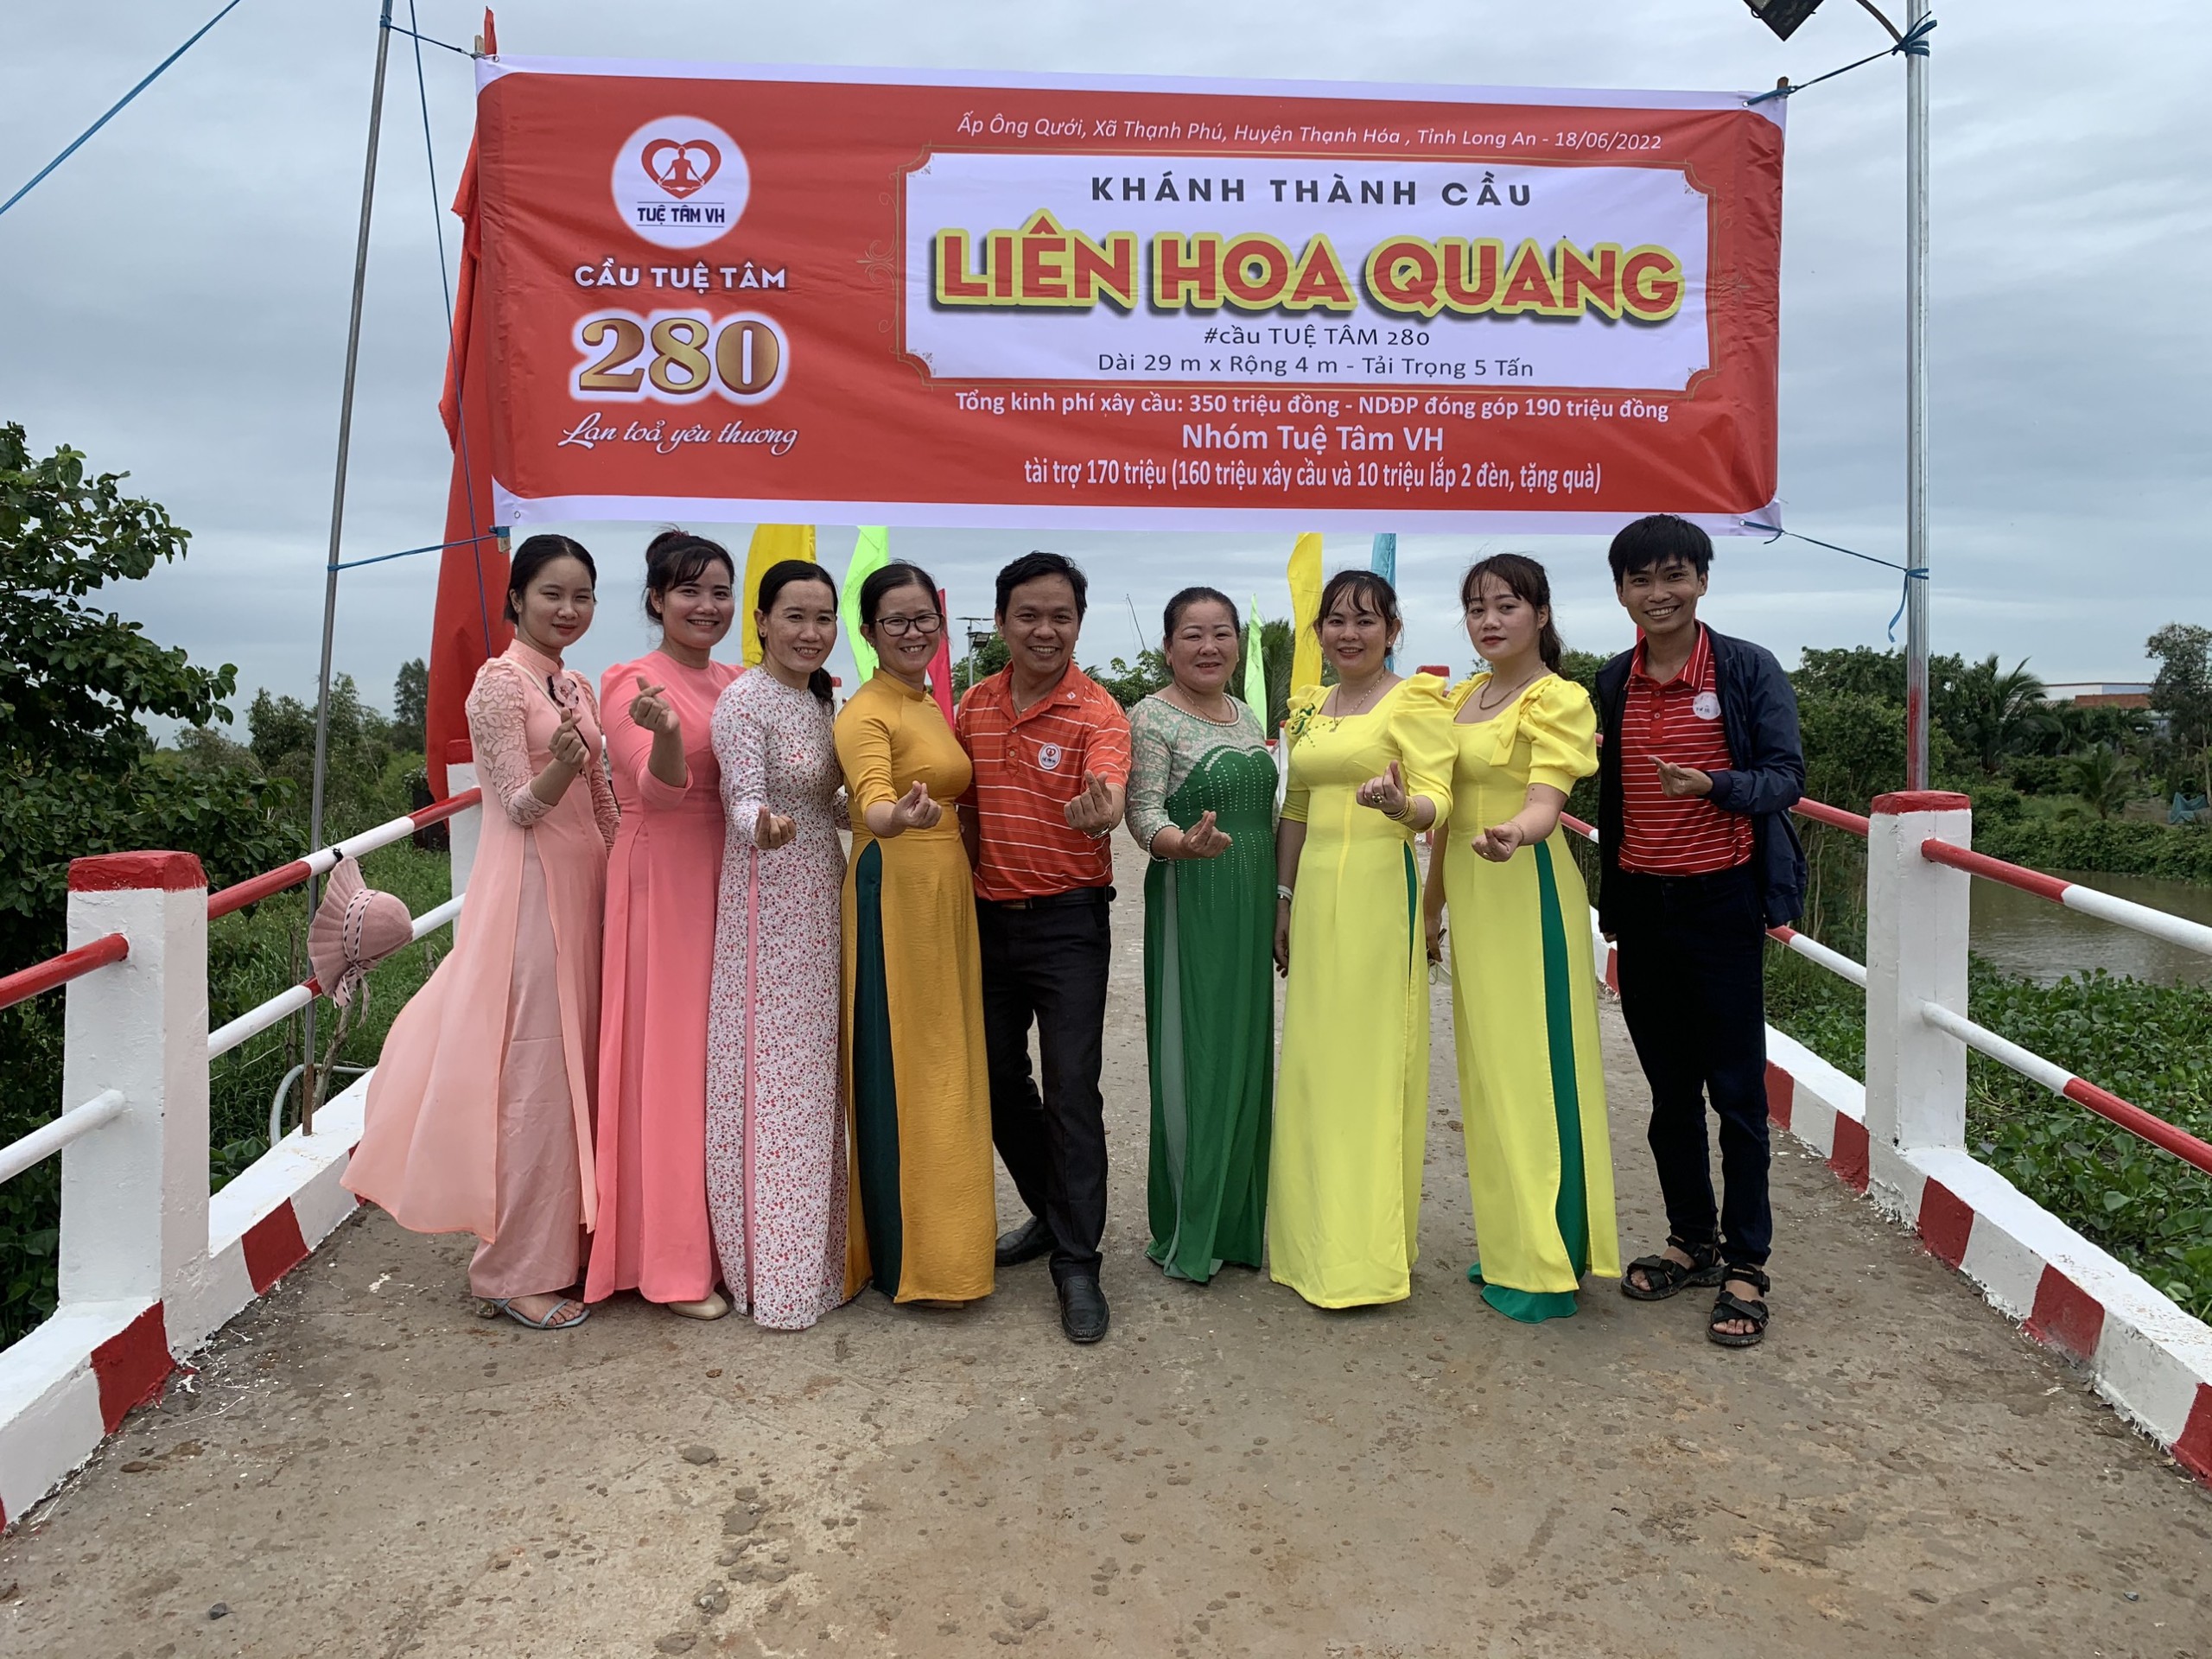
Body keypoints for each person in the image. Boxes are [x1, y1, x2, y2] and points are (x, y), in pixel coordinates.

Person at [345, 534, 620, 1331]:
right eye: (552, 595)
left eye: (582, 596)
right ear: (517, 599)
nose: (568, 610)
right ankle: (511, 1270)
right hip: (532, 893)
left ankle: (574, 1244)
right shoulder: (499, 684)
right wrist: (562, 762)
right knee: (536, 1077)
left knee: (582, 1069)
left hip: (588, 885)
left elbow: (604, 802)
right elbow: (520, 805)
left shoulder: (575, 684)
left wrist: (628, 874)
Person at [1594, 513, 1806, 1348]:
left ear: (1703, 581)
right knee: (1669, 1093)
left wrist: (1714, 785)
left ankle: (1748, 1263)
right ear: (1621, 592)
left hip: (1722, 904)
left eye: (1674, 575)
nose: (1659, 593)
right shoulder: (1614, 681)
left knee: (1738, 1096)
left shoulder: (1747, 669)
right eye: (1641, 580)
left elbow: (1785, 778)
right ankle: (1692, 1241)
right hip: (1645, 908)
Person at [1424, 554, 1620, 1323]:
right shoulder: (1462, 699)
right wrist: (1431, 909)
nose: (1489, 620)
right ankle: (1510, 1238)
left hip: (1525, 888)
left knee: (1534, 1070)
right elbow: (1444, 815)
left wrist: (1517, 831)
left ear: (1540, 614)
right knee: (1487, 1074)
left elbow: (1546, 801)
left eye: (1506, 605)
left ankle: (1547, 1258)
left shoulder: (1556, 699)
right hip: (1471, 892)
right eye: (1476, 608)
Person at [956, 551, 1132, 1344]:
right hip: (986, 921)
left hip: (1069, 925)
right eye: (1028, 614)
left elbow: (1110, 790)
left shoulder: (1100, 712)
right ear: (1001, 622)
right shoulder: (972, 705)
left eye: (1061, 616)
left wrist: (1102, 813)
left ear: (1079, 624)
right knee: (996, 1082)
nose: (1044, 630)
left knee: (1071, 1091)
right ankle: (1051, 1212)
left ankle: (1077, 1263)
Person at [1270, 570, 1453, 1308]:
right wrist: (1283, 899)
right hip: (1316, 896)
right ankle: (1308, 1244)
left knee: (1369, 1065)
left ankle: (1364, 1259)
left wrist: (1401, 807)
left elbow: (1438, 799)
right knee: (1314, 1064)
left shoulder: (1414, 702)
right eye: (1336, 621)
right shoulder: (1310, 707)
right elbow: (1297, 807)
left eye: (1366, 620)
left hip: (1379, 892)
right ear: (1319, 632)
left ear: (1392, 630)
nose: (1350, 634)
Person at [583, 531, 742, 1320]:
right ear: (655, 600)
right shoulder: (630, 680)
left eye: (719, 591)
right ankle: (671, 1262)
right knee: (671, 1062)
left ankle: (737, 1242)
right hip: (664, 873)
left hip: (734, 872)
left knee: (726, 1059)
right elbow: (659, 789)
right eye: (688, 591)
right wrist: (672, 735)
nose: (706, 606)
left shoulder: (738, 680)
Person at [834, 562, 997, 1306]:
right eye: (895, 621)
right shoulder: (866, 711)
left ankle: (955, 1246)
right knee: (908, 1063)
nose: (912, 632)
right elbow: (870, 797)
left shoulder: (928, 702)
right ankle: (913, 1259)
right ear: (869, 632)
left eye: (924, 618)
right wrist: (896, 817)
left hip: (944, 889)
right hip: (895, 886)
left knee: (951, 1059)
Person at [704, 559, 855, 1330]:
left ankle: (822, 1261)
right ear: (761, 621)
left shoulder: (820, 701)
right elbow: (745, 798)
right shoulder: (744, 701)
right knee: (775, 1080)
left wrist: (883, 806)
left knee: (817, 1075)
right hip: (768, 901)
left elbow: (828, 801)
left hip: (822, 892)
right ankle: (773, 1273)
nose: (811, 632)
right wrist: (760, 827)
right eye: (794, 616)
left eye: (823, 618)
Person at [1123, 588, 1277, 1285]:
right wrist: (1179, 844)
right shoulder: (1152, 716)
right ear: (1168, 647)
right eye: (1192, 634)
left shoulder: (1246, 714)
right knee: (1202, 1055)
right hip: (1195, 894)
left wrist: (1281, 900)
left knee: (1246, 1052)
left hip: (1251, 897)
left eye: (1222, 633)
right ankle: (1193, 1224)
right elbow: (1143, 811)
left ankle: (1237, 1223)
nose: (1209, 646)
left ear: (1238, 644)